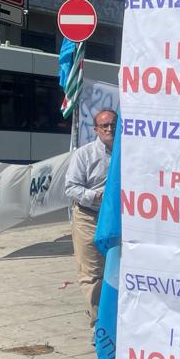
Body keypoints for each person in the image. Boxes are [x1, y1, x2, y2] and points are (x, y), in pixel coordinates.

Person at [65, 109, 117, 328]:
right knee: (93, 273)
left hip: (117, 220)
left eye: (113, 124)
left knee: (116, 269)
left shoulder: (128, 152)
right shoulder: (84, 155)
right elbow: (71, 187)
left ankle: (115, 319)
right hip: (90, 217)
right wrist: (97, 197)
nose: (109, 129)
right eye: (104, 126)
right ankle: (99, 325)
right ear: (96, 129)